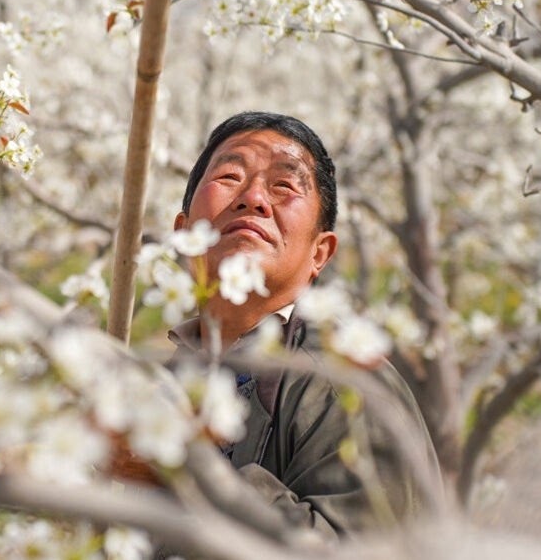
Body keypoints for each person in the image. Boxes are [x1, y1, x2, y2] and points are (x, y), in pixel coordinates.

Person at [163, 111, 441, 537]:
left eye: (284, 186)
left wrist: (180, 475)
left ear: (320, 254)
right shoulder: (155, 385)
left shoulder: (344, 380)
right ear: (182, 234)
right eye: (229, 176)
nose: (253, 198)